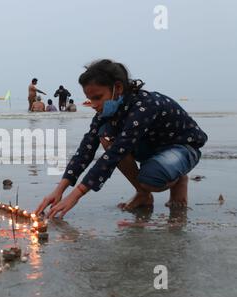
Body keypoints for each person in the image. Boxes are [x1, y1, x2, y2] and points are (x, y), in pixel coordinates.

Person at [35, 59, 208, 219]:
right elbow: (86, 150)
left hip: (182, 148)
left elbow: (116, 153)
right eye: (89, 99)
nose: (93, 104)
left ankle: (178, 178)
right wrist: (59, 190)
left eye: (97, 97)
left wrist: (76, 196)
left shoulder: (143, 106)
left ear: (117, 88)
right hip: (150, 148)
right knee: (105, 136)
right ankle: (143, 194)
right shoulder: (105, 113)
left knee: (150, 179)